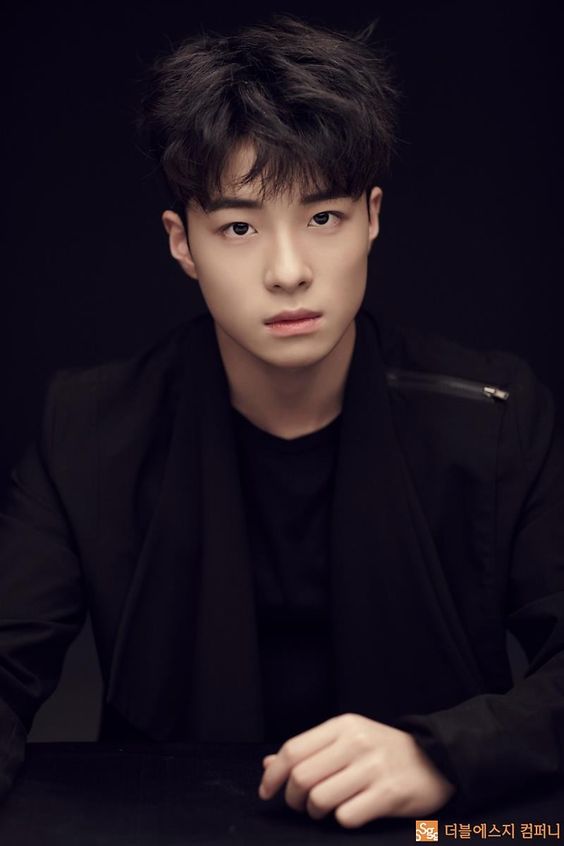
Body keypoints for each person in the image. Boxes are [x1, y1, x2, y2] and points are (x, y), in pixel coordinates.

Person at [1, 14, 563, 829]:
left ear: (372, 217)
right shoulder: (89, 427)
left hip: (425, 831)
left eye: (323, 218)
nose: (289, 271)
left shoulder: (495, 417)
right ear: (182, 243)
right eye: (239, 227)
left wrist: (447, 753)